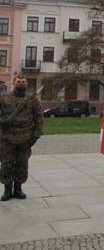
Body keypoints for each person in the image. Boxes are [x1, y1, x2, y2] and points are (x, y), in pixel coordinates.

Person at [0, 73, 43, 201]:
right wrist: (3, 122)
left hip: (25, 138)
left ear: (27, 83)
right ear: (13, 83)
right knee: (6, 164)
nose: (21, 83)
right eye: (18, 81)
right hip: (7, 138)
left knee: (22, 164)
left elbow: (39, 118)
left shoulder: (32, 100)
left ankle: (18, 189)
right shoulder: (4, 98)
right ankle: (7, 190)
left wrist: (36, 135)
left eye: (24, 81)